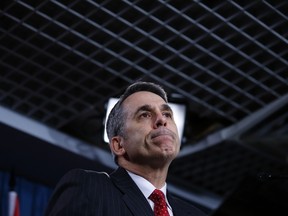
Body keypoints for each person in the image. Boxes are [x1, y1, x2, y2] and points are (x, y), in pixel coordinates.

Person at [44, 81, 207, 216]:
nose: (161, 120)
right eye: (145, 114)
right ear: (118, 145)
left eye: (167, 114)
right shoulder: (89, 188)